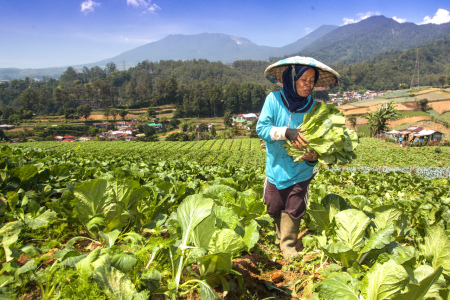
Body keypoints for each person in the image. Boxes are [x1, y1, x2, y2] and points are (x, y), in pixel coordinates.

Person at [256, 56, 340, 260]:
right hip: (276, 167)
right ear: (291, 79)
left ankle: (289, 247)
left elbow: (320, 142)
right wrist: (287, 133)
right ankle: (280, 234)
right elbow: (262, 129)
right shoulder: (274, 100)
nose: (308, 85)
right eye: (304, 79)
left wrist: (313, 157)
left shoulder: (314, 108)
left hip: (301, 171)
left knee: (294, 207)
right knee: (273, 206)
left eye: (312, 80)